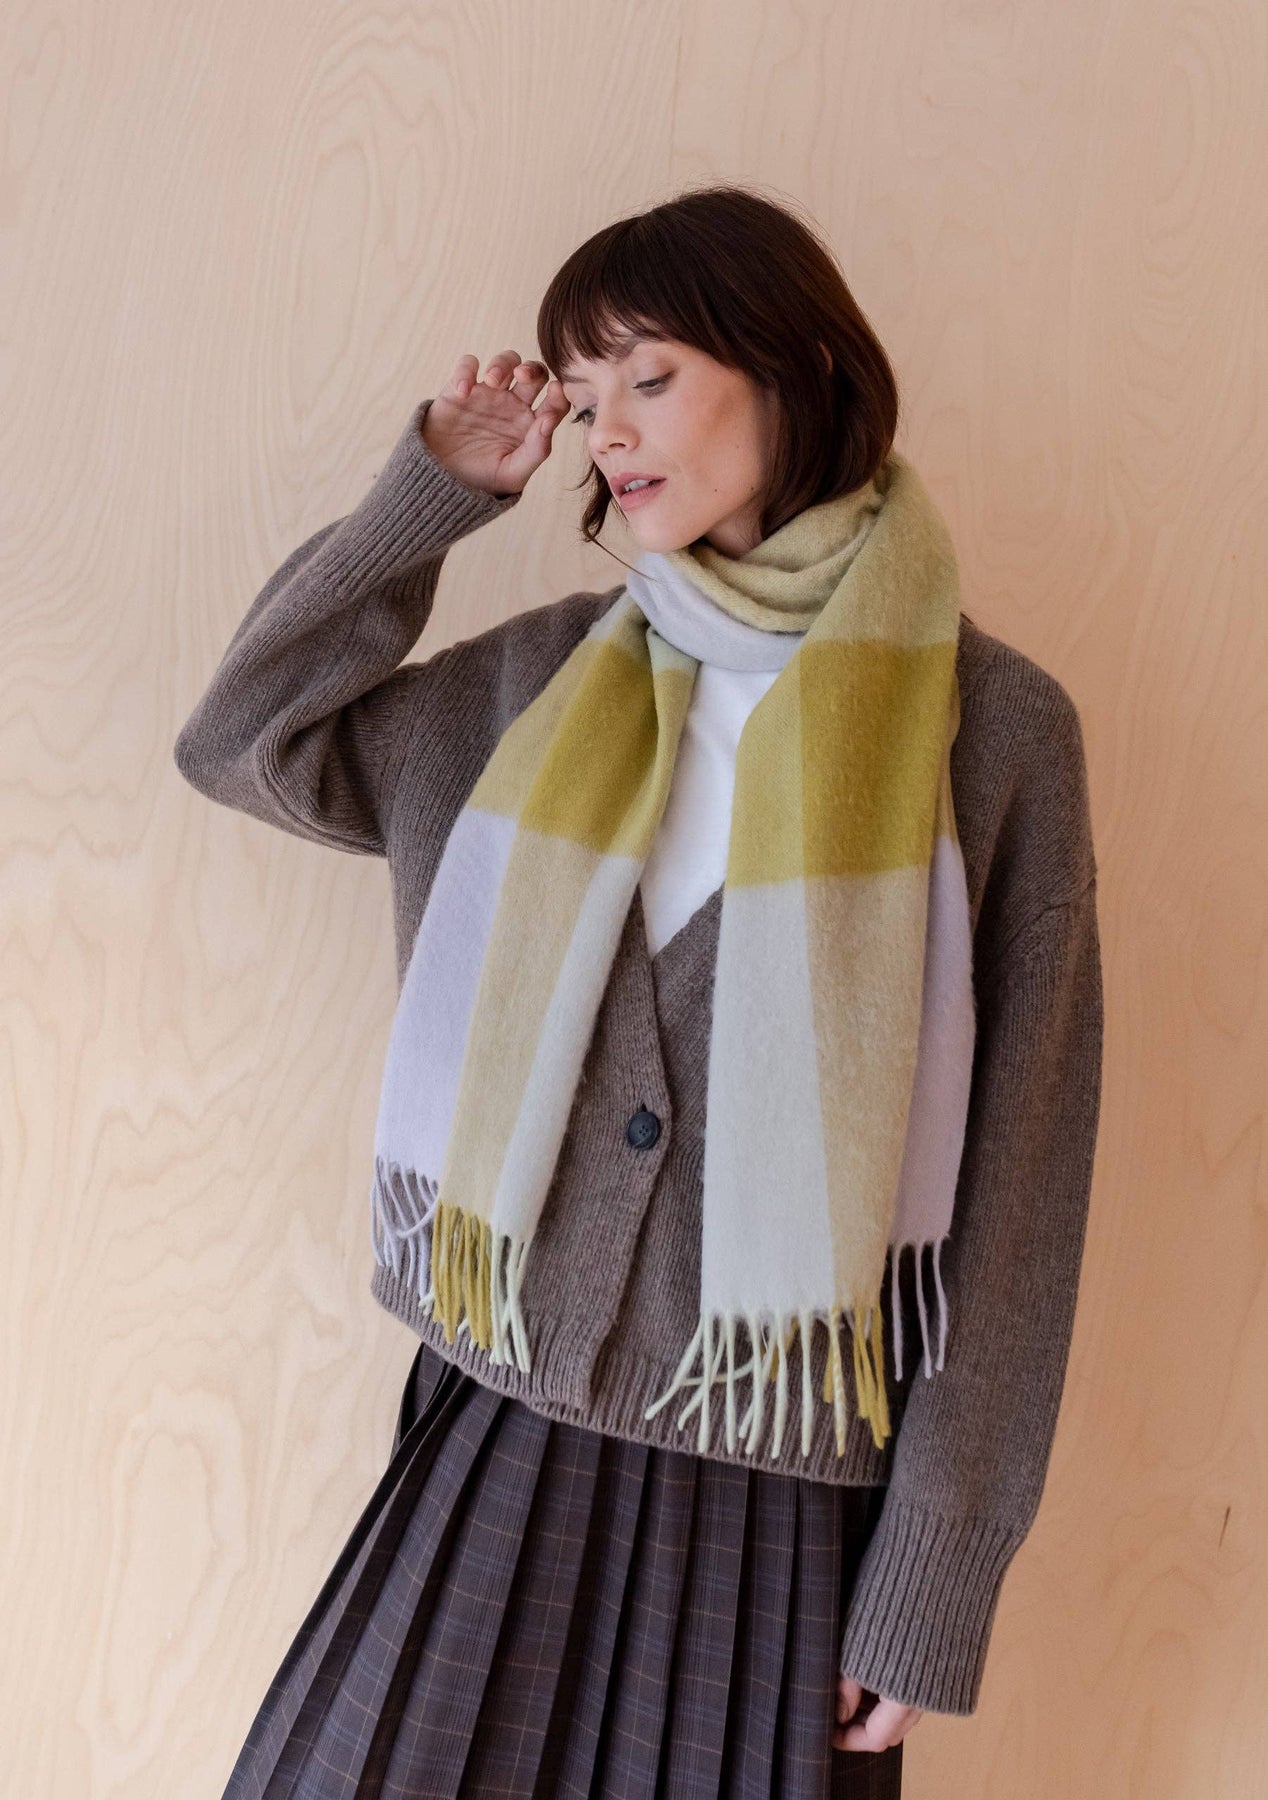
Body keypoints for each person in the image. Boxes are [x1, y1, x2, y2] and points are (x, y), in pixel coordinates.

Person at [174, 183, 1103, 1798]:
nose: (608, 431)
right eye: (583, 393)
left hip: (787, 1506)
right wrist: (429, 499)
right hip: (494, 1445)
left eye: (651, 378)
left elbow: (1024, 1187)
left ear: (801, 366)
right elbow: (248, 740)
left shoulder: (997, 735)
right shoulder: (540, 687)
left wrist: (933, 1578)